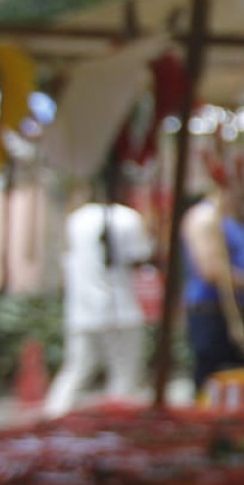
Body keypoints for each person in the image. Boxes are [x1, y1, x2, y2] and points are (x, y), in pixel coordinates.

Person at [48, 171, 153, 414]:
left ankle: (54, 415)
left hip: (83, 309)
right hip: (119, 310)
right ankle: (115, 422)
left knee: (76, 370)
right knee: (124, 377)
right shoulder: (128, 218)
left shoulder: (76, 219)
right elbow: (138, 258)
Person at [180, 149, 244, 391]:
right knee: (213, 384)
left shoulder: (231, 218)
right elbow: (210, 270)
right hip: (212, 313)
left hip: (234, 311)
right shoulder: (205, 217)